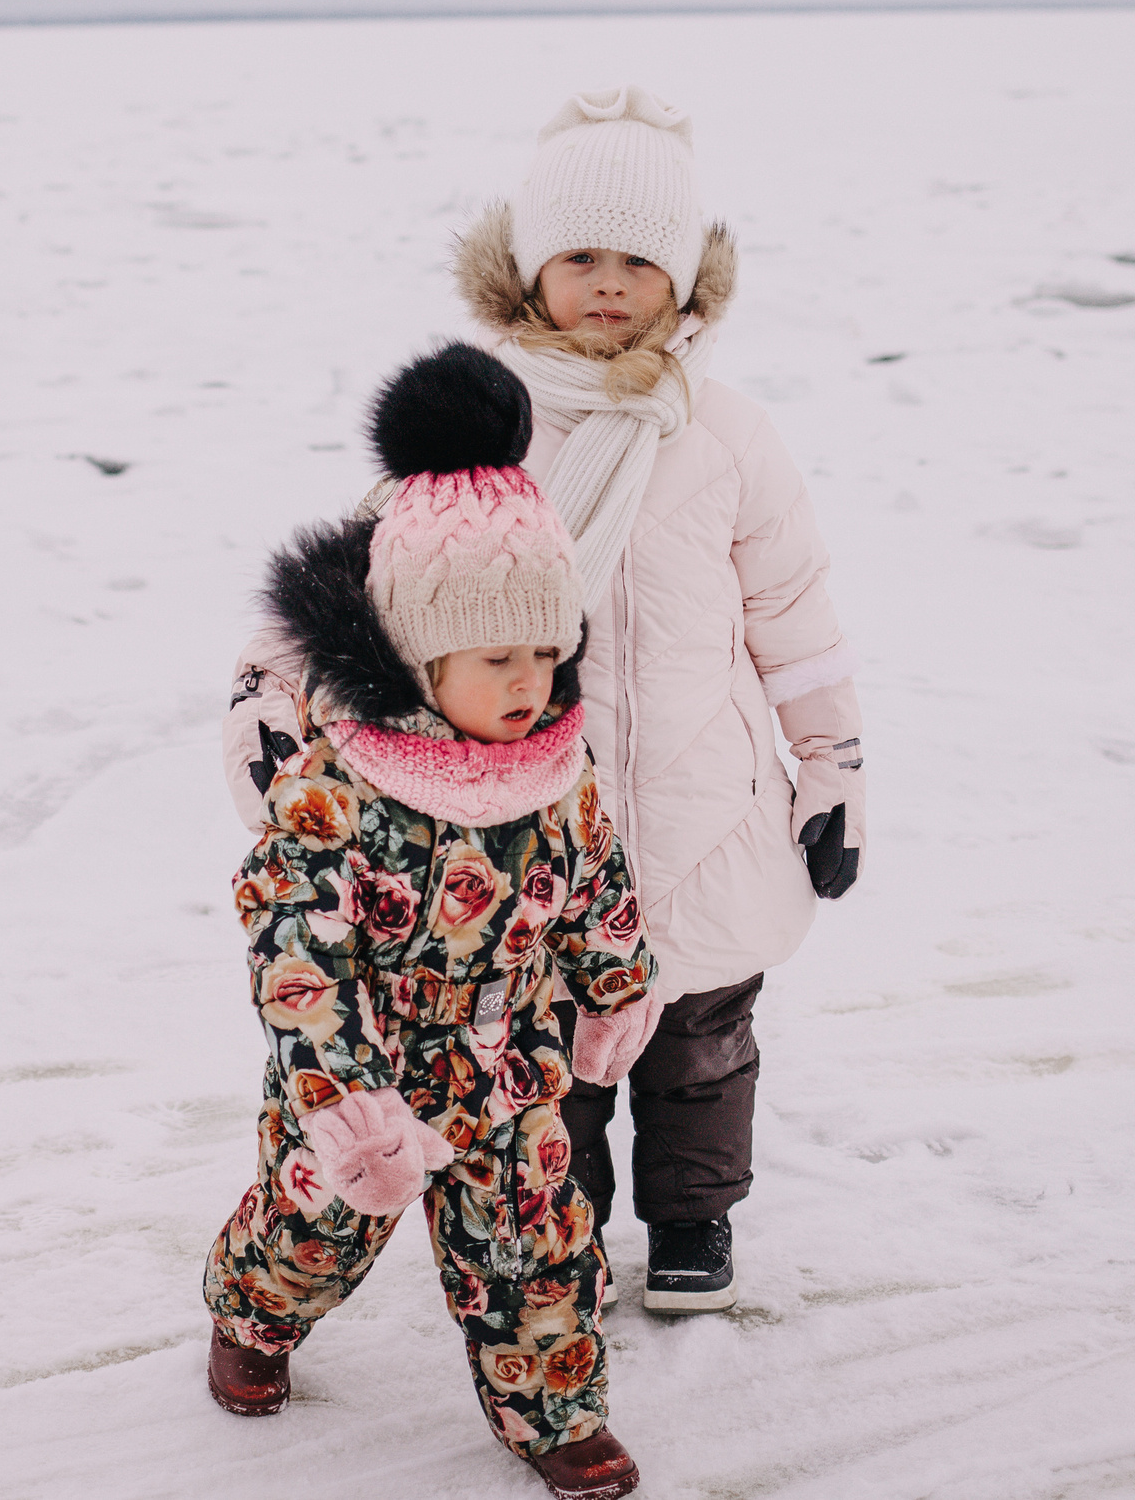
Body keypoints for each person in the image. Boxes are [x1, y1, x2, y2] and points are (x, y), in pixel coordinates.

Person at [227, 84, 866, 1317]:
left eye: (639, 260)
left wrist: (831, 762)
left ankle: (691, 1219)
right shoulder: (482, 431)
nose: (609, 284)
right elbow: (366, 572)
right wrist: (270, 694)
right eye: (579, 258)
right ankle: (557, 1225)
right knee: (542, 1054)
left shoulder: (728, 434)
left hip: (706, 806)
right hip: (529, 820)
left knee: (699, 1042)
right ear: (528, 270)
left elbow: (792, 615)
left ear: (685, 277)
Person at [203, 343, 661, 1500]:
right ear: (418, 654)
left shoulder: (554, 766)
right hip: (368, 1080)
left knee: (536, 1249)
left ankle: (554, 1409)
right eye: (497, 658)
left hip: (509, 1064)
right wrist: (341, 1099)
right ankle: (255, 1313)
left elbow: (594, 878)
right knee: (315, 1231)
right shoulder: (336, 786)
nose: (530, 682)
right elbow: (294, 949)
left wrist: (616, 982)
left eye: (548, 652)